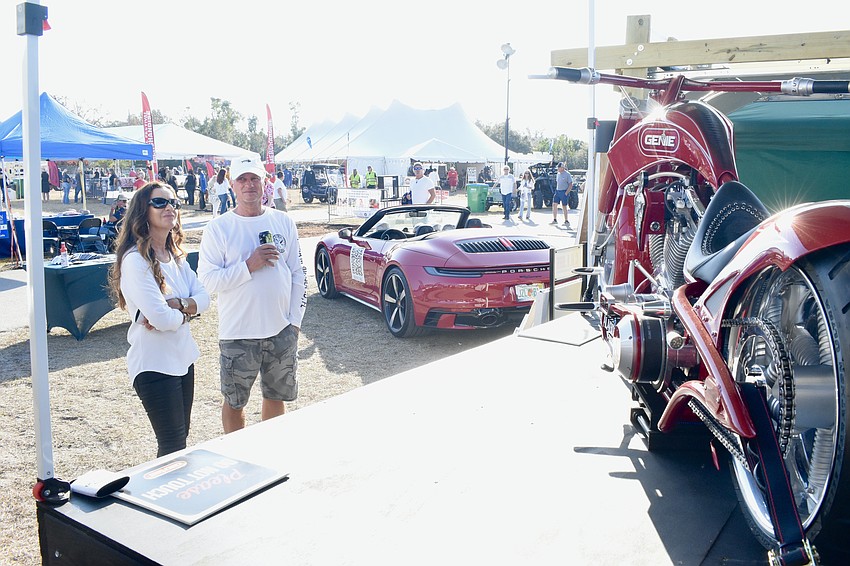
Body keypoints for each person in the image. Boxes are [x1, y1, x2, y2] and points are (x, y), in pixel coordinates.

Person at [197, 155, 307, 434]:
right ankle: (239, 457)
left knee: (276, 396)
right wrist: (248, 266)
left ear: (264, 182)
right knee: (235, 401)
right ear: (232, 185)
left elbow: (298, 274)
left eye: (254, 178)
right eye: (242, 179)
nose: (249, 185)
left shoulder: (283, 222)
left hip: (281, 329)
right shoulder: (218, 228)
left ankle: (270, 451)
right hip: (238, 333)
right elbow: (208, 281)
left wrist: (294, 322)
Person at [108, 181, 210, 457]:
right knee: (173, 443)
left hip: (183, 358)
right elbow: (162, 320)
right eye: (160, 202)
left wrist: (178, 305)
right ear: (143, 210)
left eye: (173, 202)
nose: (169, 208)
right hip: (154, 364)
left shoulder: (176, 257)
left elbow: (205, 299)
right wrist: (188, 311)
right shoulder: (135, 261)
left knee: (181, 438)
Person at [550, 162, 573, 228]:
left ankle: (566, 220)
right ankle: (554, 219)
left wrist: (566, 193)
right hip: (558, 191)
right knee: (554, 204)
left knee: (564, 206)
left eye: (559, 168)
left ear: (562, 168)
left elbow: (570, 184)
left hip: (564, 191)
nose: (558, 169)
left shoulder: (567, 174)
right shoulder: (558, 174)